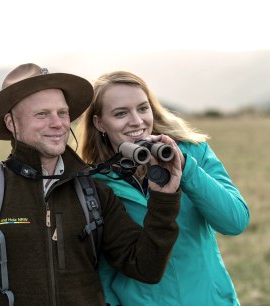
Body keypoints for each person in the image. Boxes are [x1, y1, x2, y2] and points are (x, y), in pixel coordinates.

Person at [0, 63, 183, 306]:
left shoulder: (94, 193)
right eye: (42, 114)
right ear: (11, 124)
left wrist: (164, 199)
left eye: (62, 113)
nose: (58, 123)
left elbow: (145, 267)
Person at [78, 71, 250, 306]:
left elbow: (234, 222)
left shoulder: (194, 153)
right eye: (120, 113)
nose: (137, 121)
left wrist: (186, 169)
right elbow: (102, 268)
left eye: (142, 108)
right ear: (99, 123)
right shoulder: (95, 185)